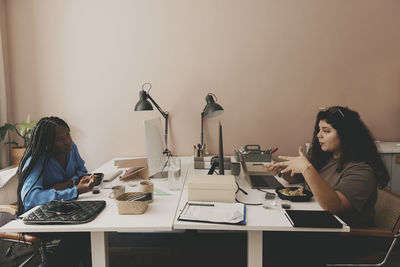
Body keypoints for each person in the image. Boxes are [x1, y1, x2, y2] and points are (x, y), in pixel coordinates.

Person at [263, 106, 390, 266]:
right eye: (319, 130)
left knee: (273, 245)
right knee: (270, 237)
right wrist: (283, 170)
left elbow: (334, 206)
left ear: (346, 134)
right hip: (323, 227)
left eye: (326, 131)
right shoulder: (328, 158)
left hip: (349, 239)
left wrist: (307, 168)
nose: (319, 135)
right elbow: (299, 179)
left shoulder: (362, 170)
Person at [16, 116, 97, 267]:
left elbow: (81, 171)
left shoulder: (71, 148)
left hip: (65, 210)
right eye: (60, 139)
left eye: (67, 135)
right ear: (47, 144)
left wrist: (68, 184)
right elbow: (30, 198)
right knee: (82, 235)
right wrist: (73, 190)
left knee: (89, 230)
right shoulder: (36, 159)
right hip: (39, 217)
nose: (67, 141)